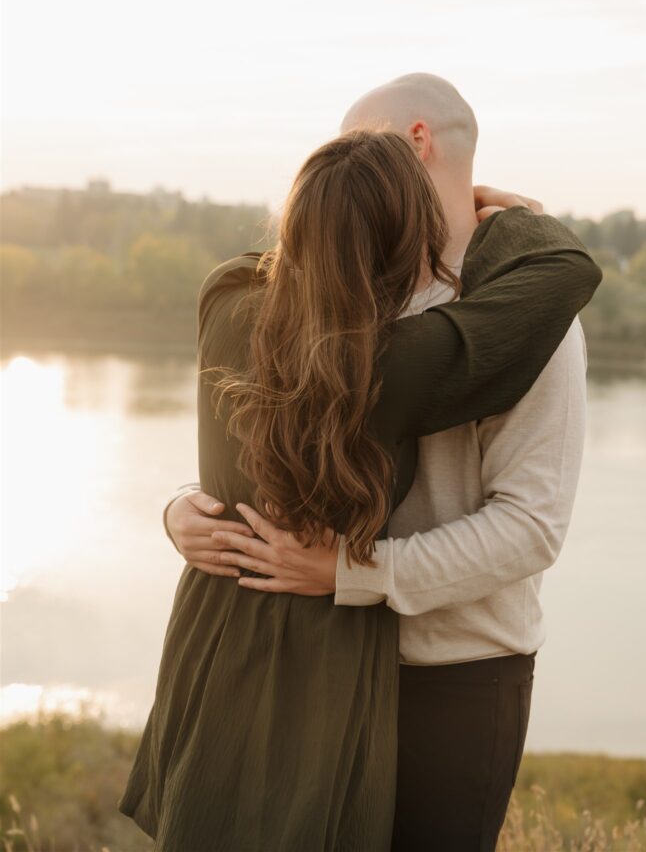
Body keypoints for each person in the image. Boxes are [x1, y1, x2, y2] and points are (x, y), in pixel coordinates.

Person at [120, 126, 601, 852]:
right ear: (407, 226)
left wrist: (183, 509)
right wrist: (513, 218)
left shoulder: (225, 296)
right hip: (318, 656)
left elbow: (256, 450)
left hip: (233, 640)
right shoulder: (385, 363)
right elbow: (563, 272)